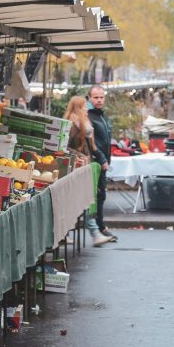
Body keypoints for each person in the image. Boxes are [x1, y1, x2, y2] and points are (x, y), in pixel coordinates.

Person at [65, 96, 112, 247]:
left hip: (82, 167)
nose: (87, 108)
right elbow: (66, 147)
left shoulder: (83, 123)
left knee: (79, 201)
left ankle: (69, 234)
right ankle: (94, 233)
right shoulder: (73, 124)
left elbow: (92, 147)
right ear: (78, 107)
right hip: (76, 168)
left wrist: (100, 159)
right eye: (84, 106)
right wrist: (81, 157)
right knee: (84, 200)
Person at [88, 85, 118, 242]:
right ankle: (99, 228)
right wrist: (101, 159)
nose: (99, 100)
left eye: (101, 97)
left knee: (102, 195)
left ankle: (101, 226)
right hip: (96, 162)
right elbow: (92, 143)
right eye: (96, 97)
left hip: (103, 162)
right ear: (90, 98)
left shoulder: (102, 116)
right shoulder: (89, 117)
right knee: (99, 196)